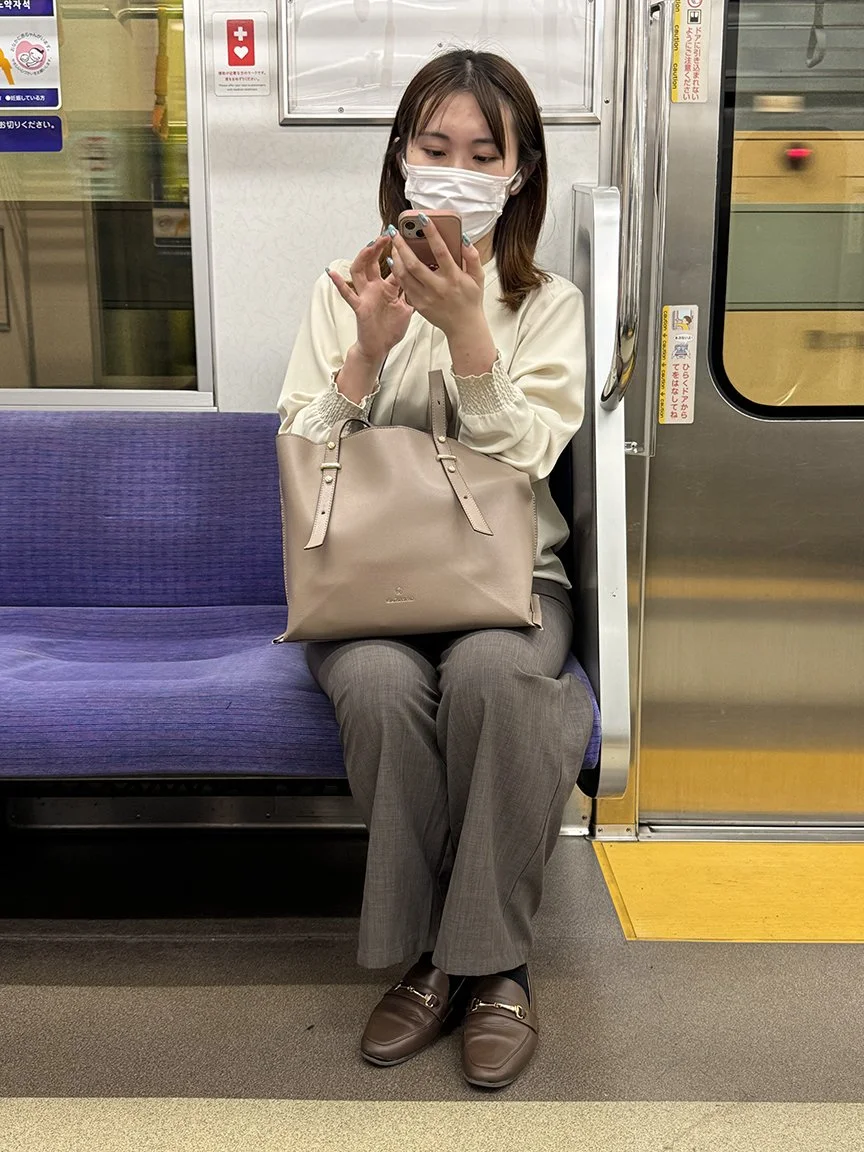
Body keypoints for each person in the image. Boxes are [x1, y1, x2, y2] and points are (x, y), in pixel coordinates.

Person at [278, 49, 593, 1090]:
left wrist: (467, 334)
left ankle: (488, 962)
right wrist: (365, 354)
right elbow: (304, 451)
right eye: (434, 146)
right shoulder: (346, 286)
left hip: (511, 579)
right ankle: (438, 956)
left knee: (499, 676)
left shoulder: (546, 303)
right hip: (367, 579)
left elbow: (531, 456)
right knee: (374, 680)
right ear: (401, 157)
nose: (455, 168)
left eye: (482, 152)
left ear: (519, 171)